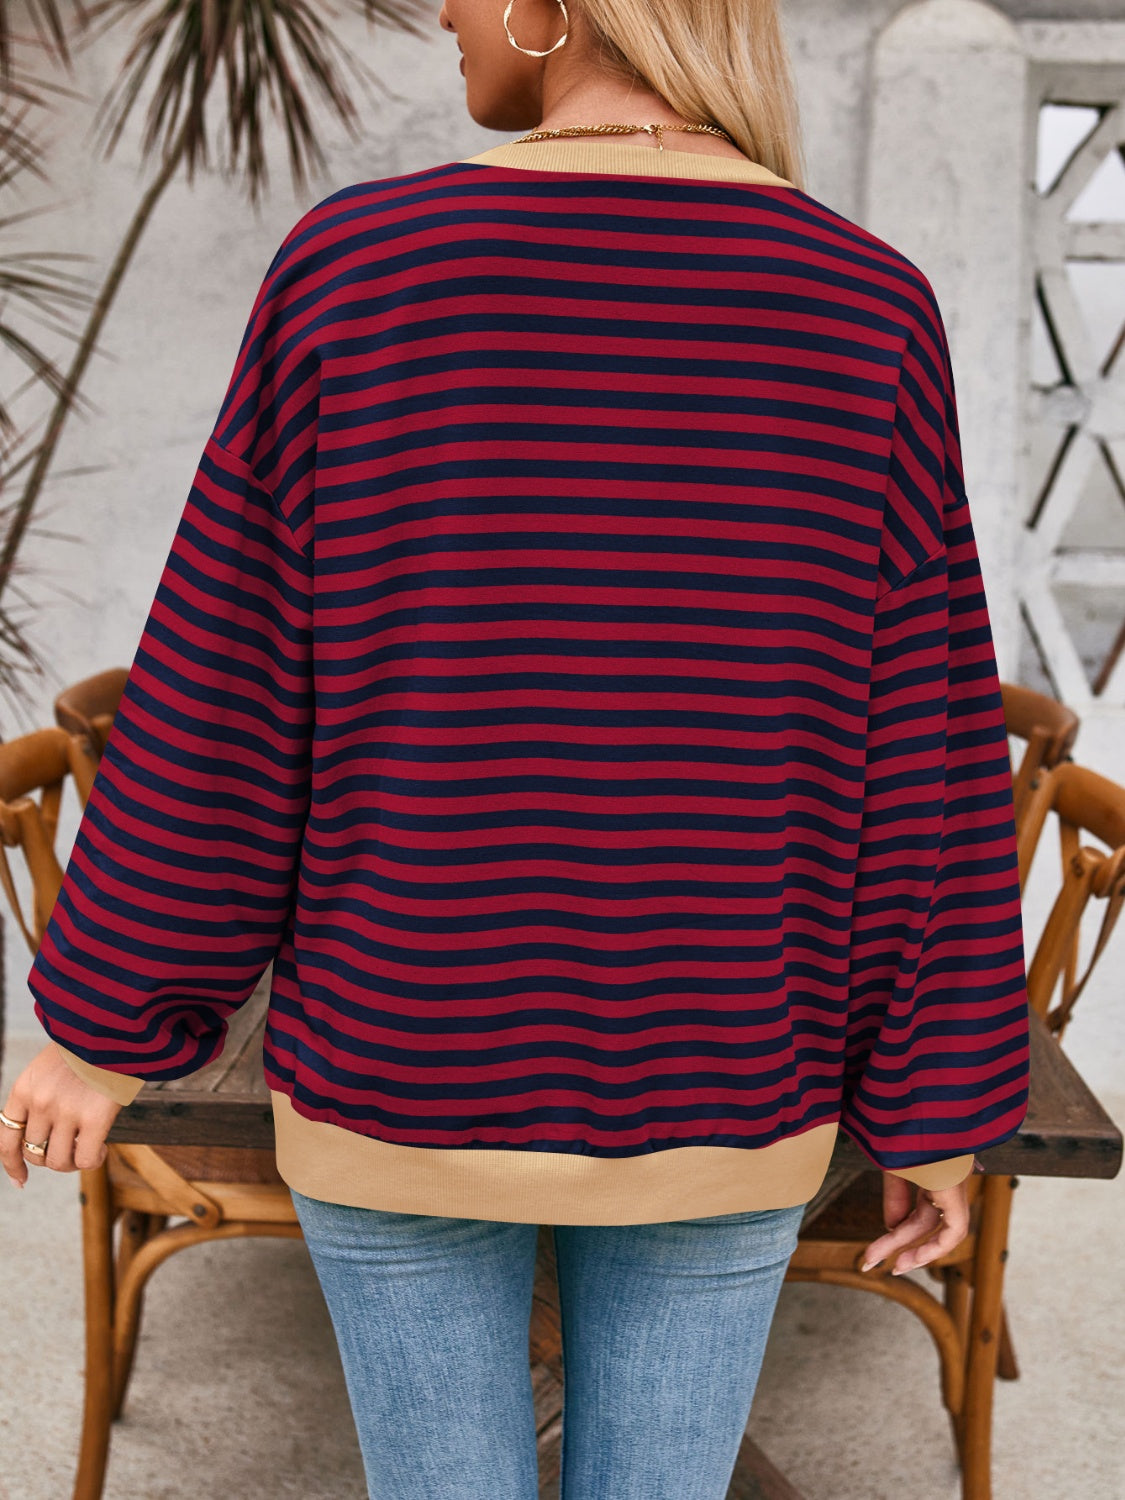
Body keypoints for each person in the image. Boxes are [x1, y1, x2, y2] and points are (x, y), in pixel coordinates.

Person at [1, 1, 1030, 1495]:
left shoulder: (360, 269)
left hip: (399, 1057)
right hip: (732, 1067)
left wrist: (105, 1023)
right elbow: (921, 747)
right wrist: (934, 1107)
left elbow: (226, 691)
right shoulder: (866, 304)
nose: (443, 10)